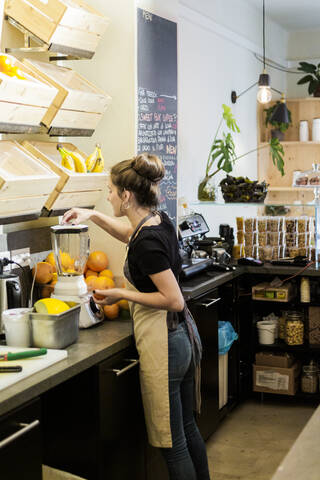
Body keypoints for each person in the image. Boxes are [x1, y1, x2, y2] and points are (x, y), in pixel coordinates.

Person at [62, 153, 211, 480]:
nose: (109, 196)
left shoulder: (147, 241)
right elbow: (129, 234)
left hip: (167, 345)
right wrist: (92, 215)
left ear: (127, 196)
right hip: (181, 337)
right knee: (187, 428)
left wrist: (121, 294)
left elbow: (171, 299)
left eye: (111, 191)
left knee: (173, 444)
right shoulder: (157, 220)